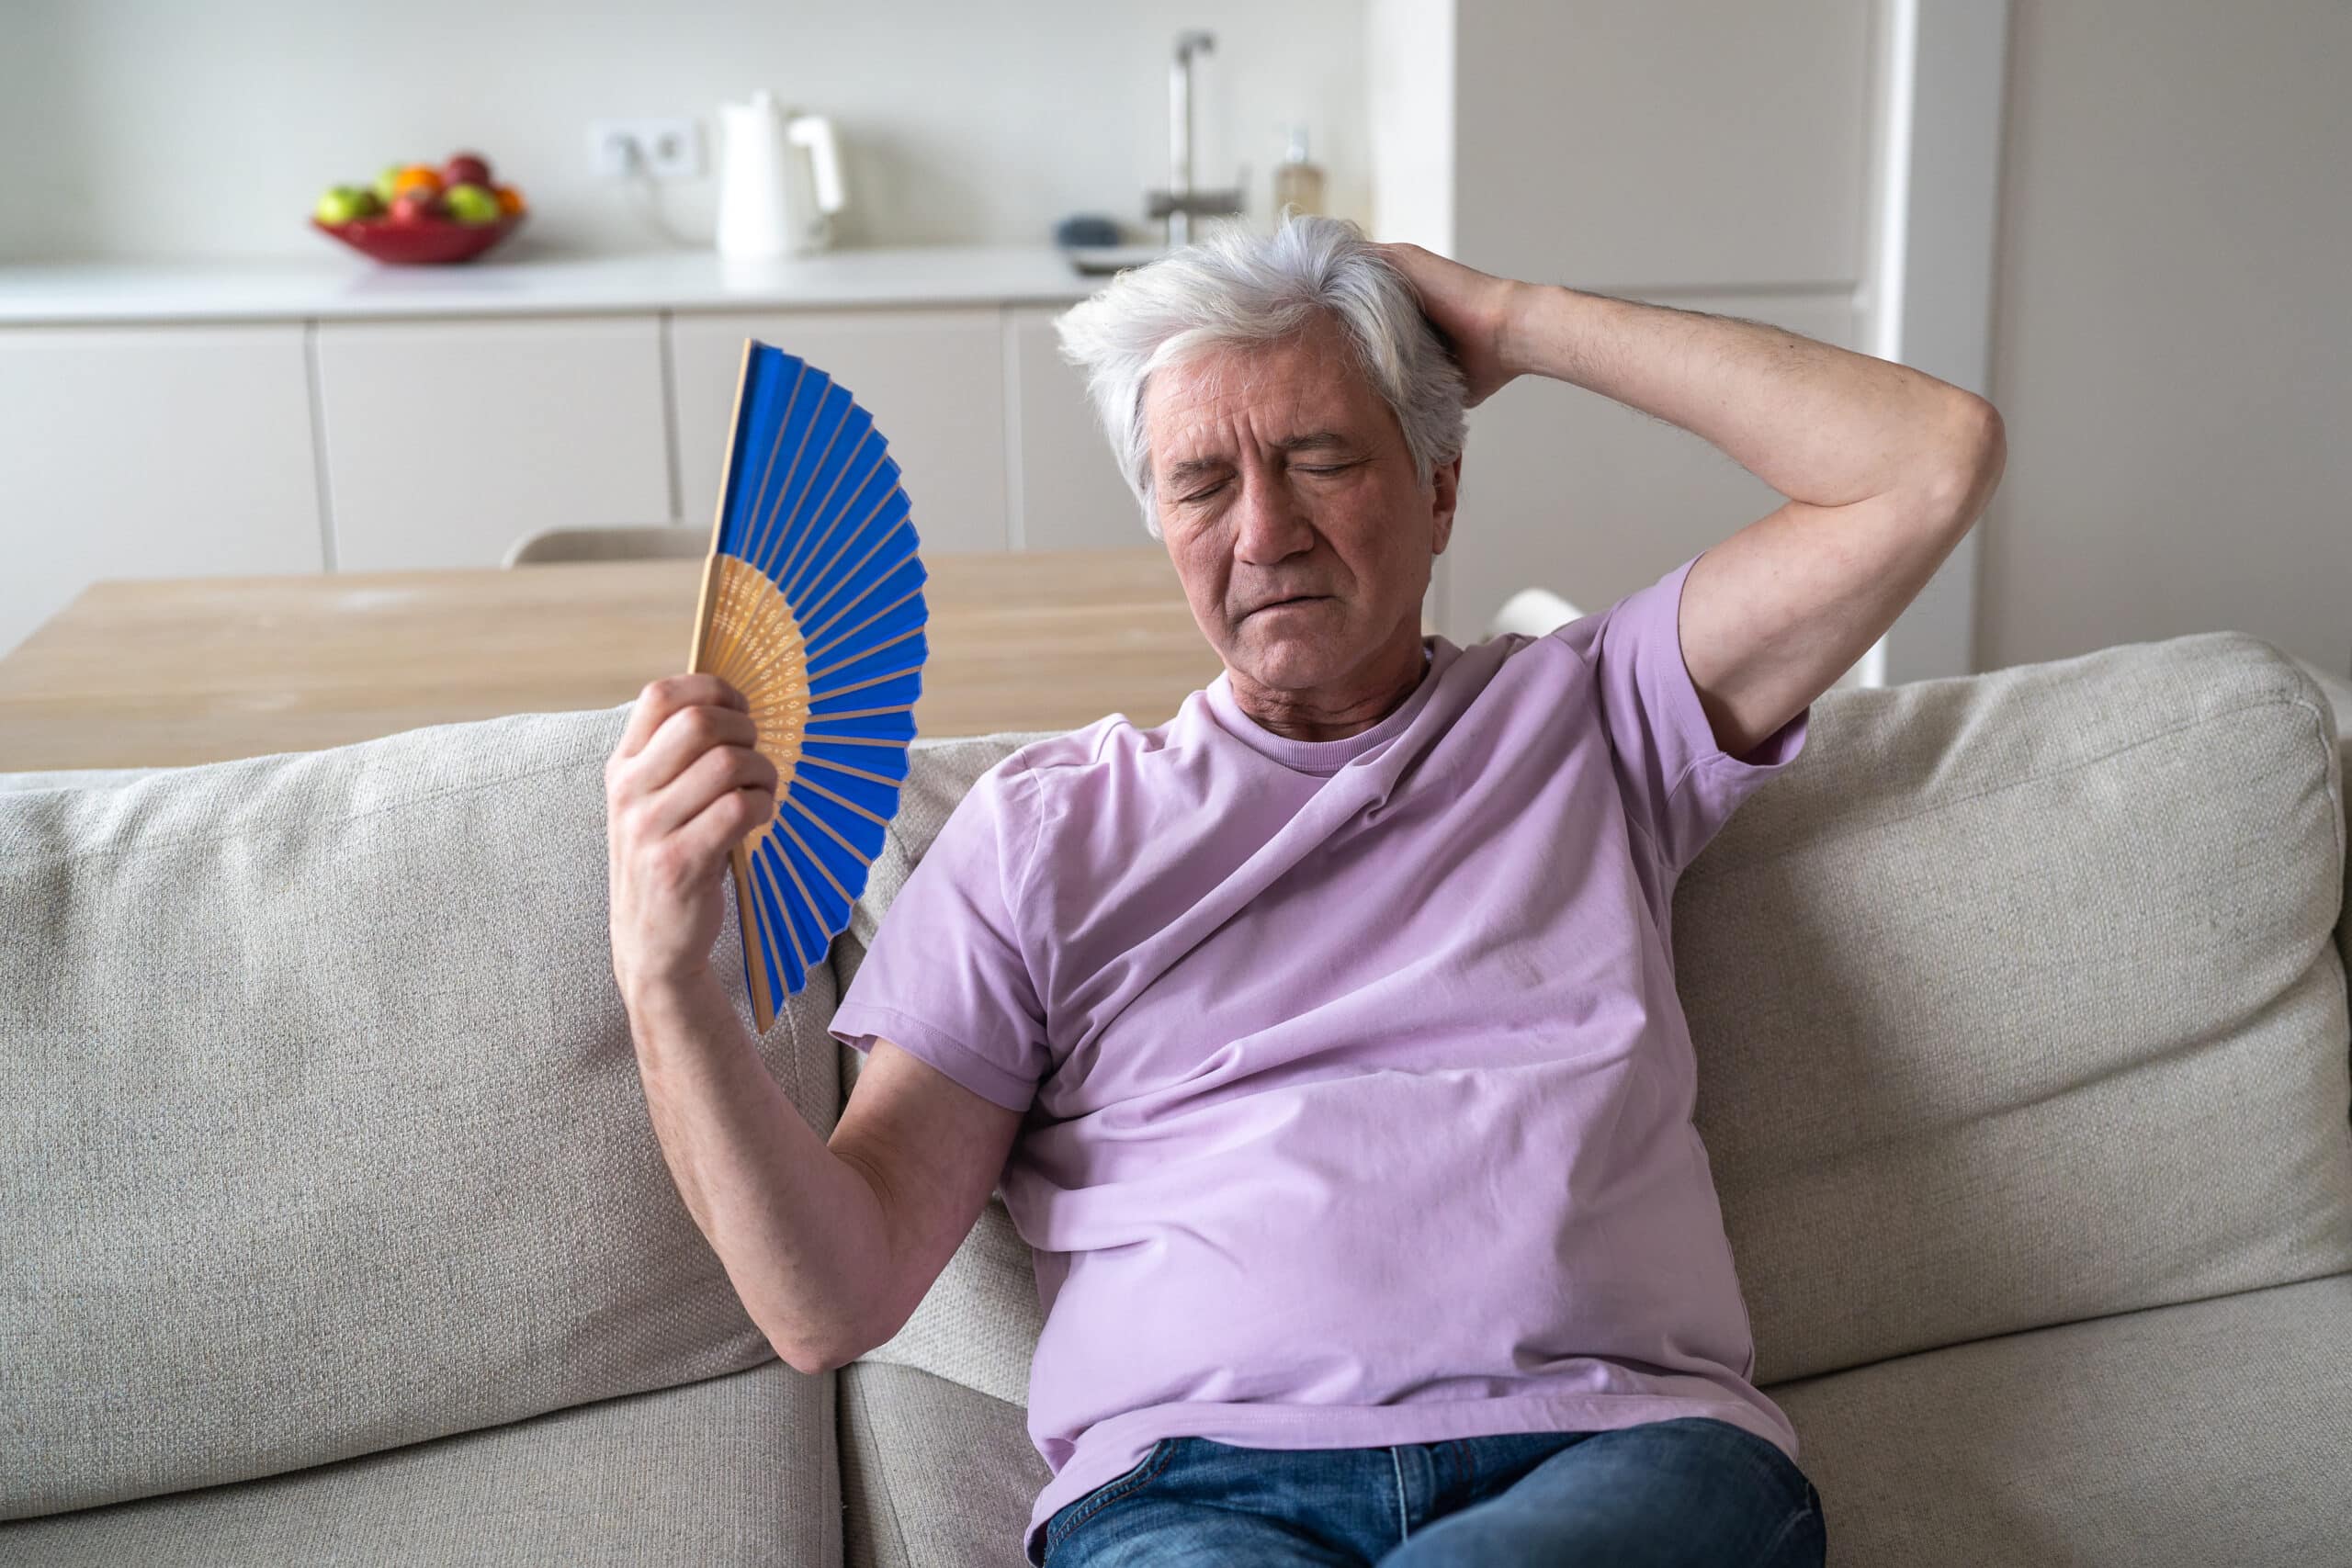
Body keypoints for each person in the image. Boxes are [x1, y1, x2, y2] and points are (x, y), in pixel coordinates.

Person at [605, 213, 2005, 1567]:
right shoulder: (1041, 834)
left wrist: (1515, 321)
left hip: (1615, 1452)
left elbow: (1928, 460)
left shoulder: (1592, 716)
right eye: (1202, 484)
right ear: (1160, 523)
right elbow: (830, 1300)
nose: (1263, 530)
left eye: (1321, 456)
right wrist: (666, 984)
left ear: (1439, 485)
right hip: (1191, 1498)